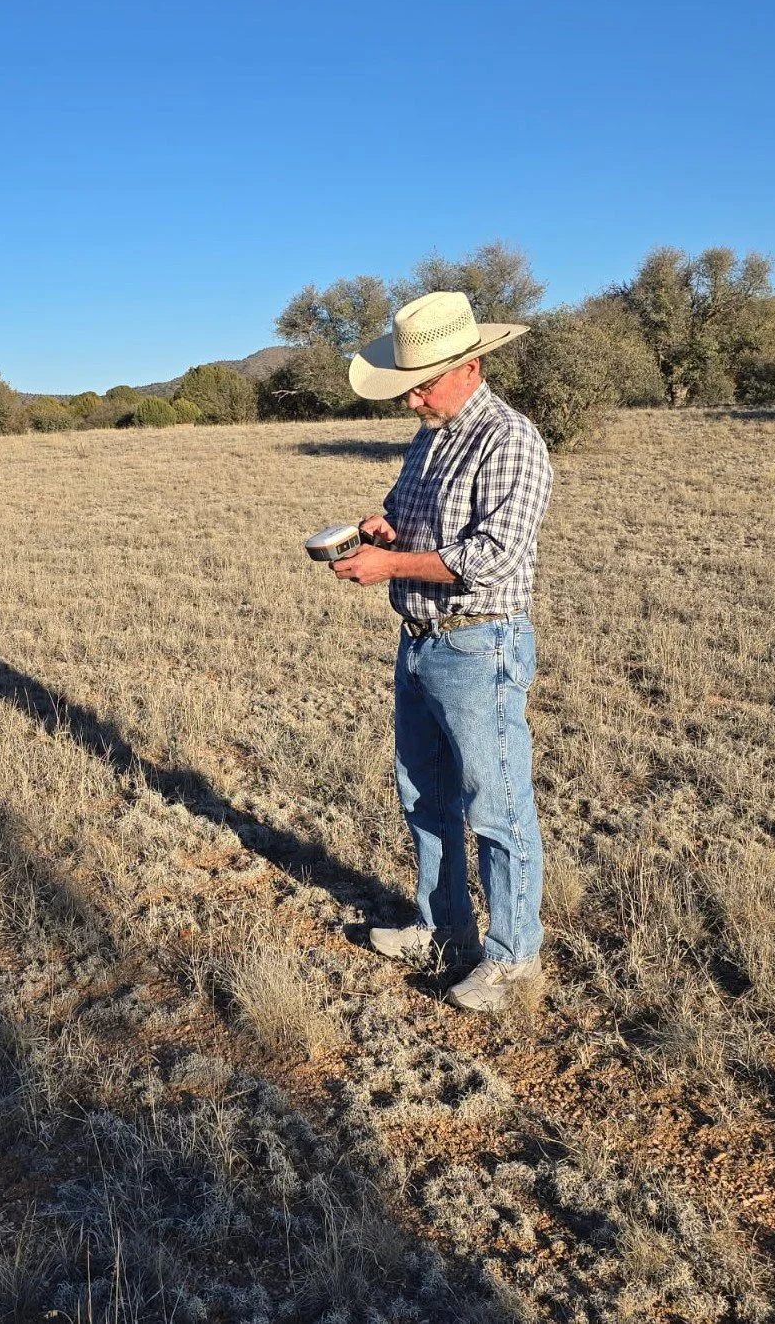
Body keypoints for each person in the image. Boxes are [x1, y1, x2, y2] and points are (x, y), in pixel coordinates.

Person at [332, 290, 553, 1013]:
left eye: (423, 383)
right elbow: (406, 508)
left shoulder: (510, 439)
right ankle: (442, 927)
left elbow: (489, 558)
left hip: (479, 641)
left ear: (472, 365)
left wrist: (391, 567)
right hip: (421, 642)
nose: (413, 399)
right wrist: (383, 526)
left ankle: (515, 960)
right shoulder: (432, 433)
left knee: (495, 805)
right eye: (408, 386)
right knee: (423, 793)